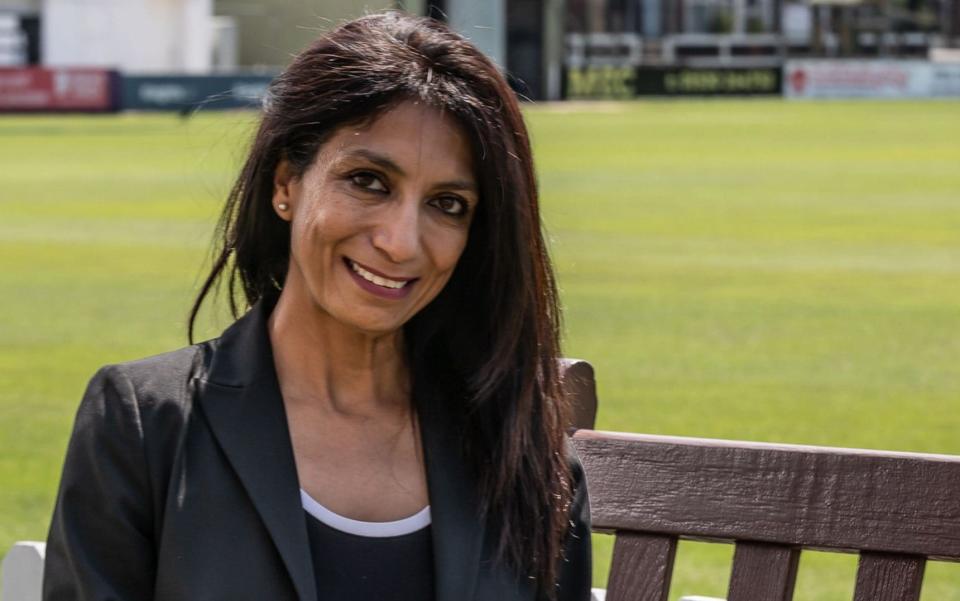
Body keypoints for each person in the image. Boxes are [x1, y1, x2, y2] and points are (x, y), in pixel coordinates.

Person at [43, 11, 591, 601]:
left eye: (447, 204)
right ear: (286, 184)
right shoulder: (143, 426)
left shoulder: (524, 456)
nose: (401, 241)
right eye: (368, 181)